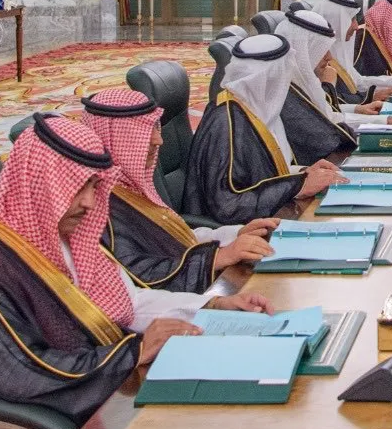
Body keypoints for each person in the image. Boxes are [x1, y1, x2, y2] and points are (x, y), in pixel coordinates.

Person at [0, 114, 273, 429]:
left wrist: (212, 306)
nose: (90, 203)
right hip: (48, 422)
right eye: (76, 187)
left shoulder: (62, 235)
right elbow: (19, 372)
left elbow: (128, 302)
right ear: (41, 183)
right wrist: (133, 353)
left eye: (94, 186)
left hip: (106, 392)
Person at [83, 88, 278, 293]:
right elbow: (140, 278)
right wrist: (217, 258)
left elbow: (175, 239)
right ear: (118, 138)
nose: (159, 140)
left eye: (156, 128)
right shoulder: (98, 205)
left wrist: (235, 233)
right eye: (145, 132)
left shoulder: (129, 185)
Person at [182, 33, 346, 225]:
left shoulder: (255, 109)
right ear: (272, 76)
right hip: (234, 236)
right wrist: (297, 185)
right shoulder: (226, 122)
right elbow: (228, 205)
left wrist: (303, 172)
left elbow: (261, 173)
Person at [274, 10, 360, 162]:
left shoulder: (303, 82)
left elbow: (328, 118)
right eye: (322, 50)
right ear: (303, 50)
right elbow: (325, 137)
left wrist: (384, 121)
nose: (329, 57)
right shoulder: (285, 92)